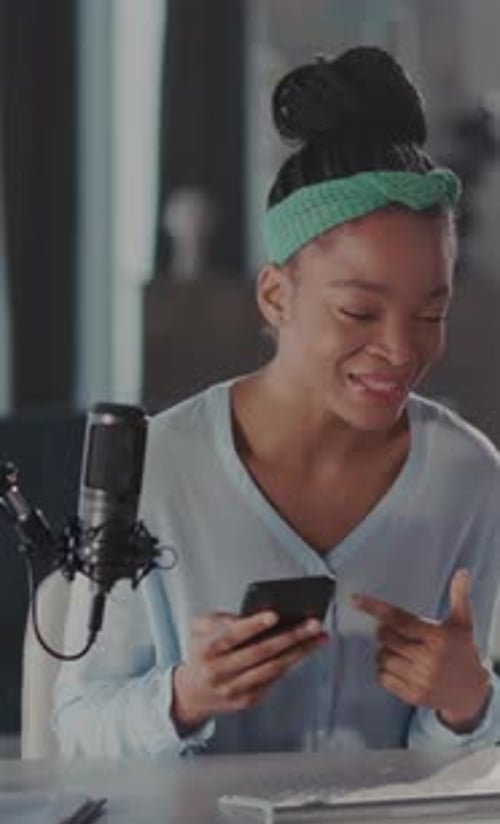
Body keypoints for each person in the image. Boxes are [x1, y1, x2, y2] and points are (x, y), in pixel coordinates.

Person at [53, 46, 500, 758]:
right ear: (275, 295)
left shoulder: (471, 478)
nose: (401, 349)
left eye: (429, 314)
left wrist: (466, 705)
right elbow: (74, 727)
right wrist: (183, 697)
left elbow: (472, 757)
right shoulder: (154, 469)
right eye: (359, 312)